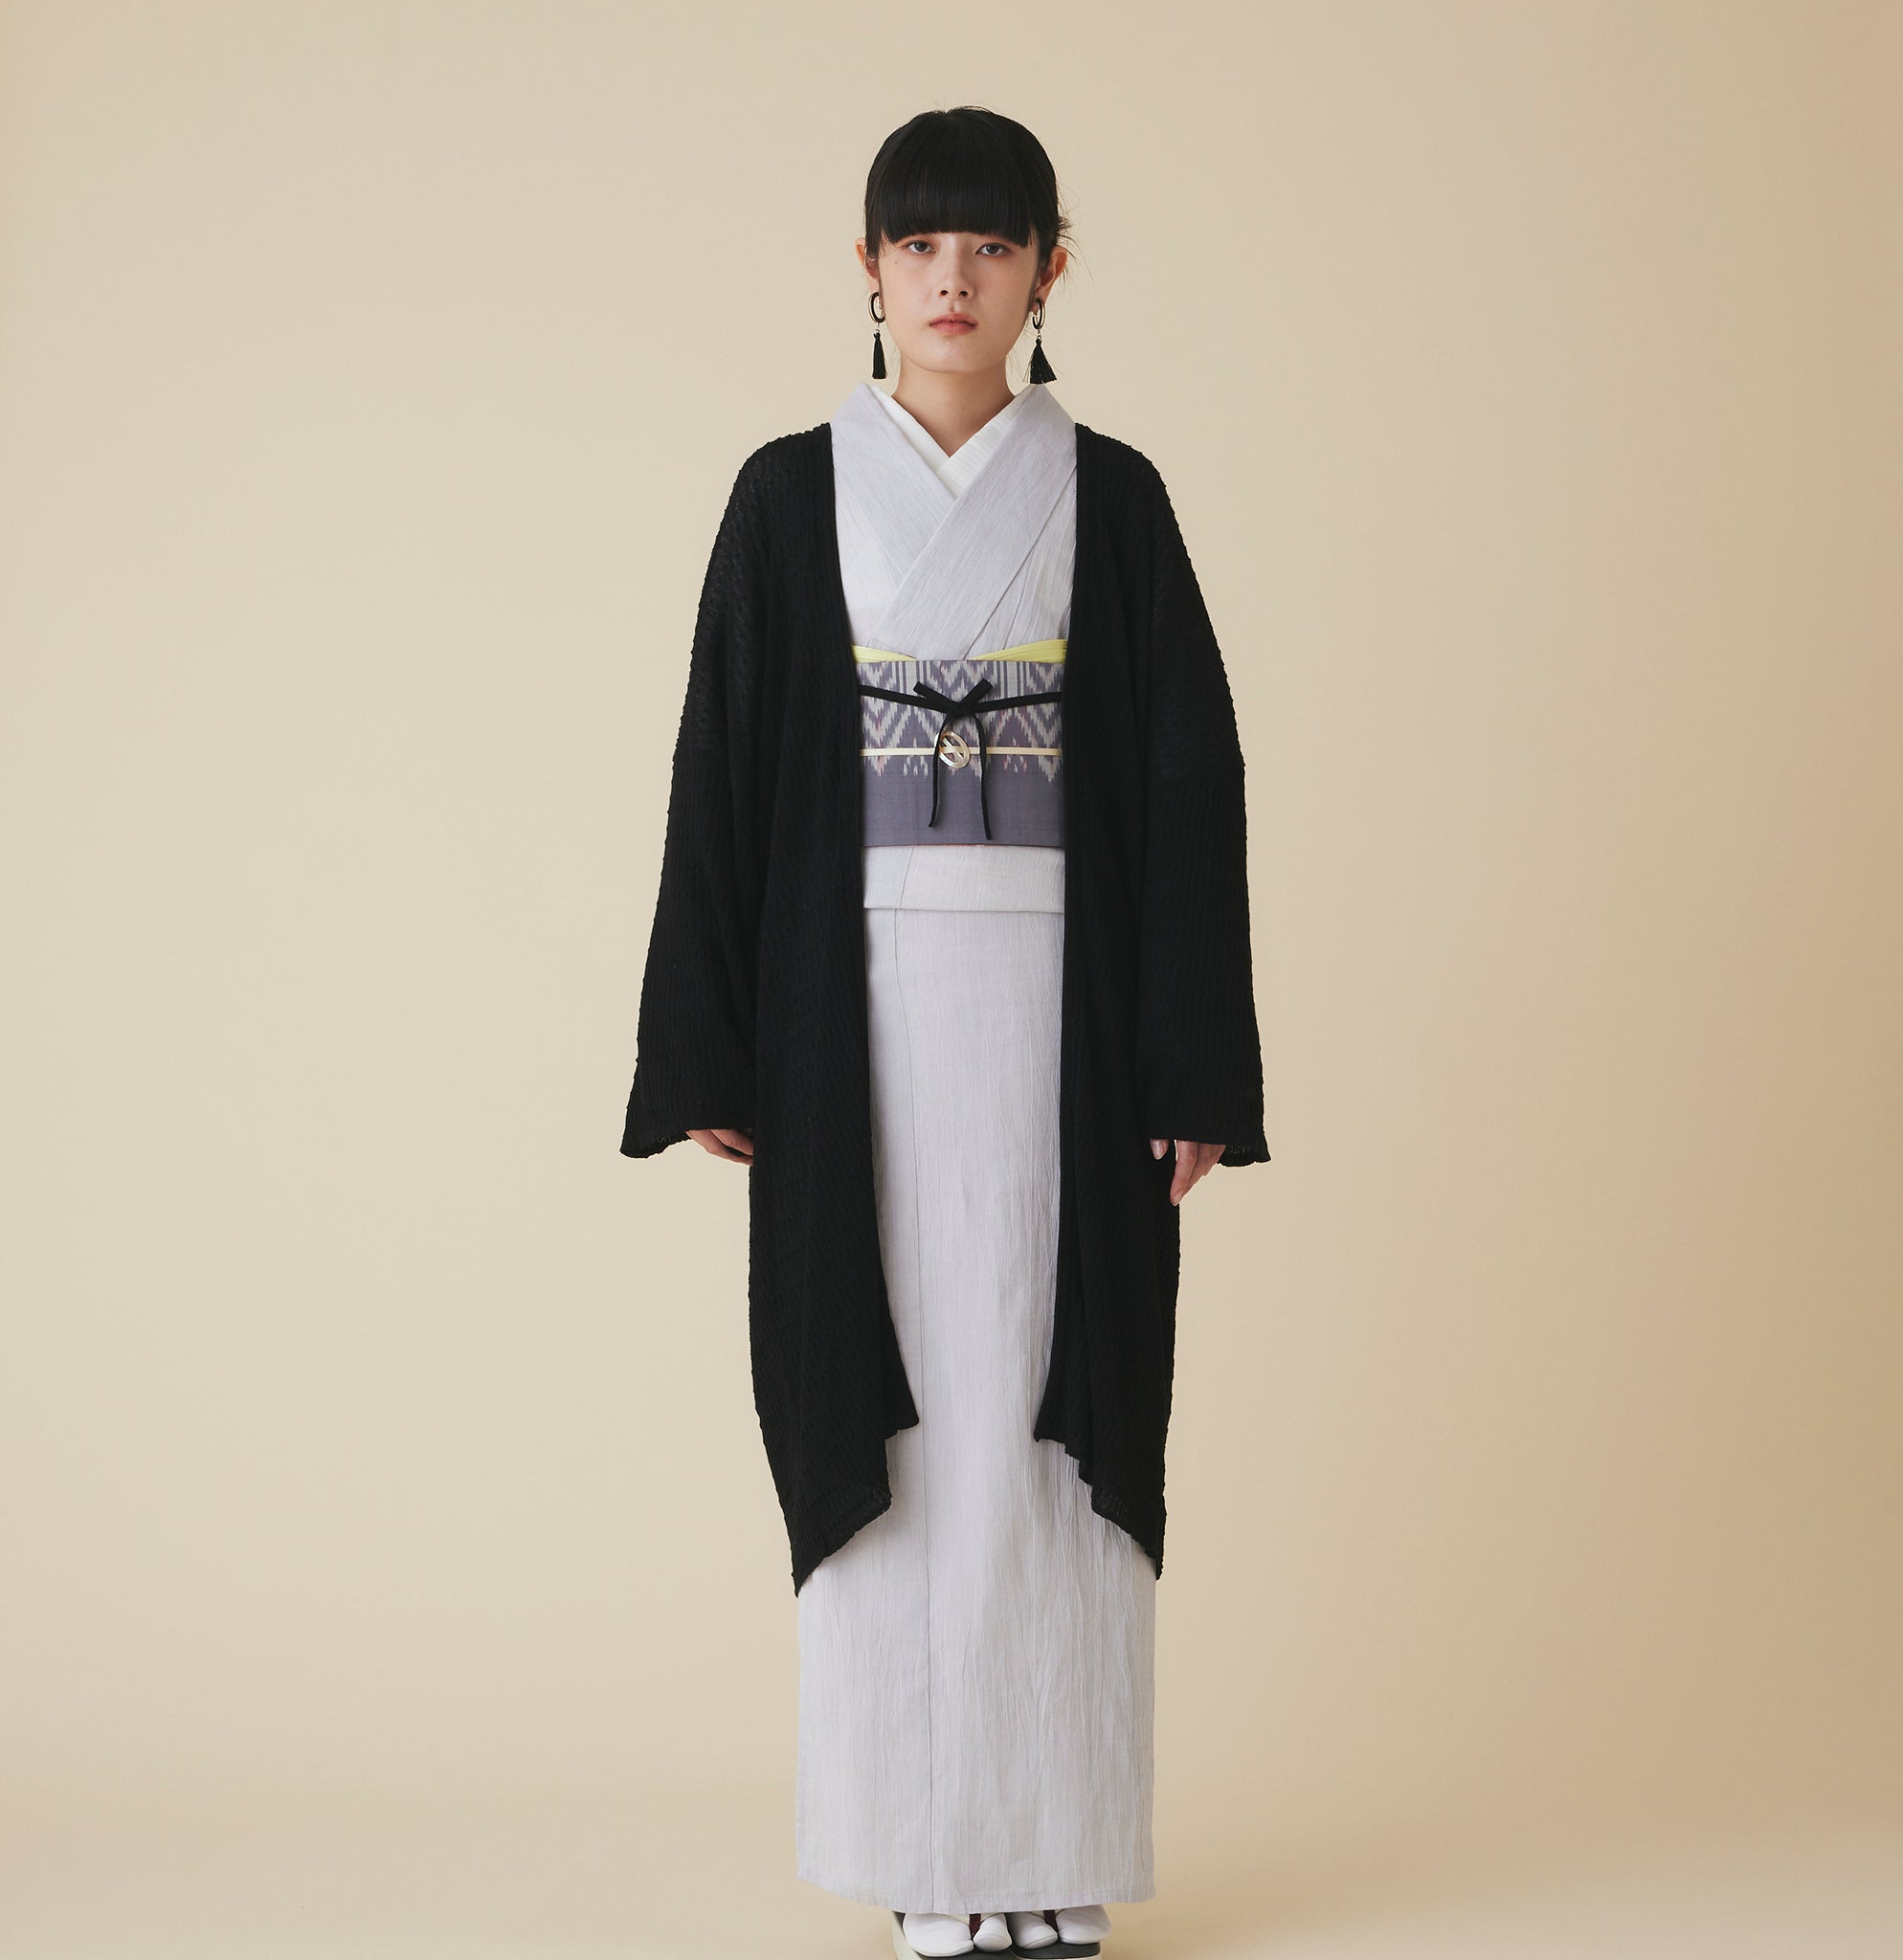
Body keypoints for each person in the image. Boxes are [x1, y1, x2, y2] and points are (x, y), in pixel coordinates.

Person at [621, 106, 1268, 1960]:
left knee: (1053, 1419)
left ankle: (1049, 1851)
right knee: (890, 1411)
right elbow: (722, 769)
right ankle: (921, 1851)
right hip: (859, 1020)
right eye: (919, 245)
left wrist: (1189, 1063)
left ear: (1051, 270)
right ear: (867, 270)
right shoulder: (788, 492)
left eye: (991, 244)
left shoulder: (1112, 497)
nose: (954, 279)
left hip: (1063, 1012)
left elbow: (1186, 785)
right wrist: (714, 1042)